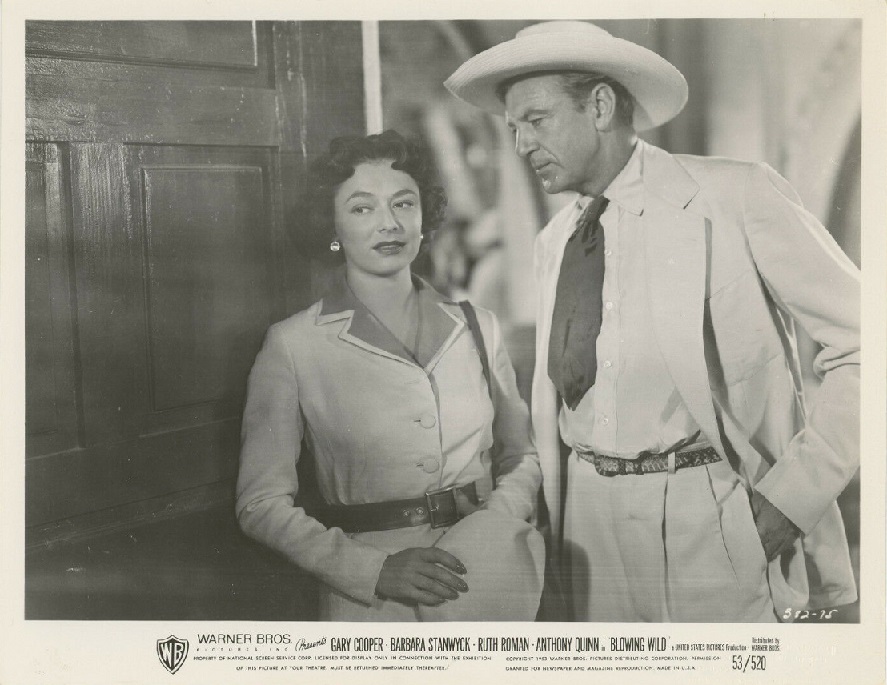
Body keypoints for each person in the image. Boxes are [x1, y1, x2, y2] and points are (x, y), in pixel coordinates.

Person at [445, 21, 859, 622]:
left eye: (536, 120)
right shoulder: (554, 241)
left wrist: (790, 501)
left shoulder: (734, 195)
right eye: (512, 128)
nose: (521, 145)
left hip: (711, 516)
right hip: (586, 532)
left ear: (600, 106)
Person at [235, 130, 543, 621]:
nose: (389, 224)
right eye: (362, 208)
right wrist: (373, 570)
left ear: (424, 218)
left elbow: (521, 454)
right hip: (376, 603)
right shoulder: (293, 344)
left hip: (489, 576)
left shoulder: (478, 325)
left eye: (404, 203)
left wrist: (494, 526)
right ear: (332, 226)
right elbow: (260, 504)